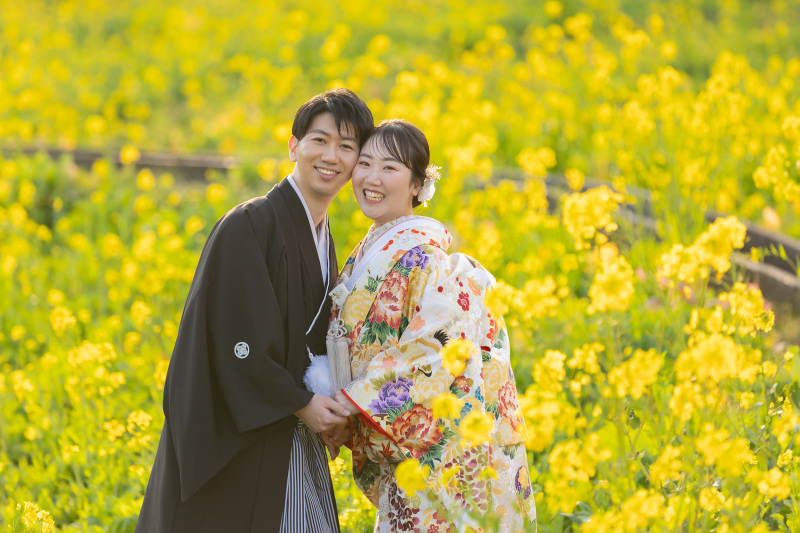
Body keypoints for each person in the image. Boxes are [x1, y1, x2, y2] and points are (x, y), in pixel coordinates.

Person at [135, 88, 374, 533]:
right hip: (244, 435)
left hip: (287, 429)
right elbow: (234, 341)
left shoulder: (324, 240)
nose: (330, 156)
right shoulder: (250, 224)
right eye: (319, 140)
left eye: (346, 146)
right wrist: (302, 403)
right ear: (293, 146)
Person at [321, 119, 537, 532]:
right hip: (405, 447)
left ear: (418, 185)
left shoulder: (426, 256)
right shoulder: (373, 245)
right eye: (364, 164)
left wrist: (352, 401)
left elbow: (436, 347)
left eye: (390, 167)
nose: (371, 177)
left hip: (441, 447)